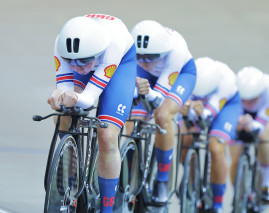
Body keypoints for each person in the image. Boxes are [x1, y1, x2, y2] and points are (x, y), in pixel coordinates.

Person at [47, 14, 137, 213]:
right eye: (70, 61)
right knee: (64, 114)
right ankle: (67, 175)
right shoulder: (62, 44)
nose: (76, 67)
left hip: (121, 64)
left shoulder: (112, 45)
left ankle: (107, 208)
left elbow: (89, 98)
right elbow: (65, 87)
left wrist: (75, 98)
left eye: (83, 62)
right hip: (93, 54)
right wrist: (59, 96)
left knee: (107, 135)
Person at [127, 20, 196, 205]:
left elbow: (157, 99)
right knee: (130, 118)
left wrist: (145, 92)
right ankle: (127, 167)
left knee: (162, 116)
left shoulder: (177, 48)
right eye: (139, 56)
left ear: (163, 52)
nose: (144, 62)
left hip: (180, 75)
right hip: (145, 77)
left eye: (150, 57)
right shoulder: (136, 55)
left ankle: (162, 181)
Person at [179, 57, 242, 213]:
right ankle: (190, 179)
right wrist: (187, 112)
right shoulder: (187, 74)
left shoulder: (226, 81)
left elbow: (207, 116)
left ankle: (217, 203)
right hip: (194, 103)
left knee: (216, 148)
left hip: (226, 106)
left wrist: (197, 112)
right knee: (184, 137)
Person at [230, 66, 269, 204]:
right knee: (235, 158)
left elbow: (260, 125)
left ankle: (267, 183)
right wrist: (238, 124)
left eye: (253, 99)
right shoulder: (231, 90)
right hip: (240, 113)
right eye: (245, 100)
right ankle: (238, 194)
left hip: (268, 110)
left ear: (260, 93)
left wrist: (252, 125)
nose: (248, 103)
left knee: (263, 136)